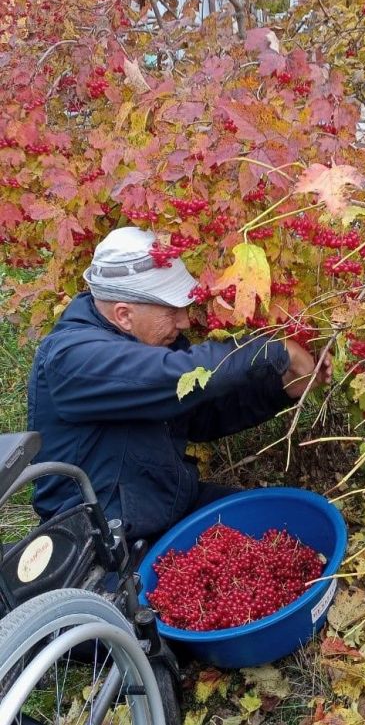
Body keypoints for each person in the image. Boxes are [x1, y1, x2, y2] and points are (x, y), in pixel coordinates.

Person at [28, 227, 331, 541]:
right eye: (172, 311)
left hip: (169, 507)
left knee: (284, 529)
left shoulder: (153, 342)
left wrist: (282, 386)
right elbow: (174, 374)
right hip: (102, 537)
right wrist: (273, 350)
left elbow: (202, 417)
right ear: (124, 315)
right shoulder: (72, 358)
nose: (184, 321)